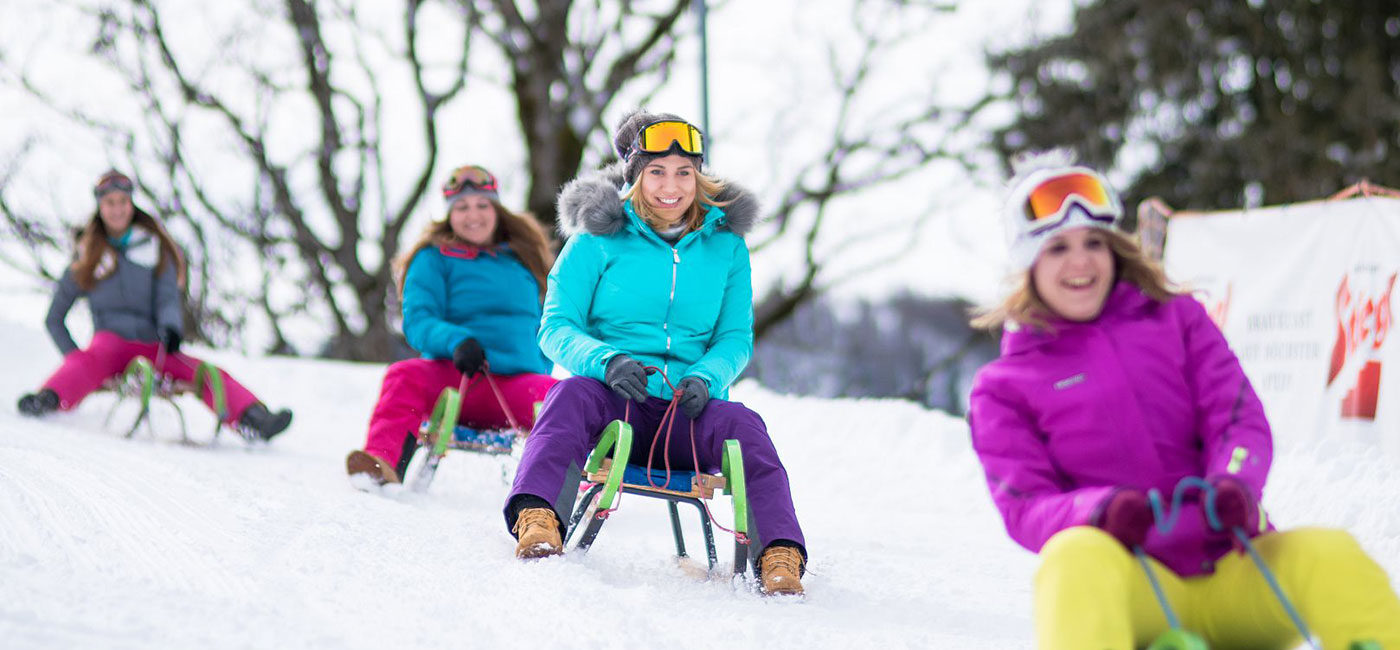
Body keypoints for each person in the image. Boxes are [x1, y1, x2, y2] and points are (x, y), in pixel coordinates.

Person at [967, 151, 1400, 649]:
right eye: (1057, 248)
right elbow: (1026, 505)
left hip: (1232, 569)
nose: (1081, 261)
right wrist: (1099, 512)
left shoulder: (1177, 321)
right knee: (1072, 559)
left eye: (1094, 243)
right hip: (1135, 587)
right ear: (1028, 266)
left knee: (1333, 555)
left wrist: (1234, 483)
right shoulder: (1003, 387)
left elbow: (1237, 418)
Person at [502, 110, 808, 596]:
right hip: (615, 402)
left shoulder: (726, 247)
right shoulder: (596, 240)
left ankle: (778, 554)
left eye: (685, 172)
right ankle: (538, 517)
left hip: (687, 410)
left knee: (745, 425)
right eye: (657, 171)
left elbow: (734, 337)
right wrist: (607, 362)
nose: (673, 186)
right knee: (569, 396)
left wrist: (706, 378)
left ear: (699, 176)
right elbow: (556, 326)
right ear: (635, 176)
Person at [17, 169, 293, 440]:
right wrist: (73, 357)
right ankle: (48, 399)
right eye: (110, 203)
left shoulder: (154, 249)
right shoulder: (87, 257)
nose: (117, 210)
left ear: (131, 204)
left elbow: (167, 298)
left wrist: (170, 328)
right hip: (109, 345)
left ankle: (254, 419)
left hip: (154, 345)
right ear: (100, 207)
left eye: (122, 202)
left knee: (204, 372)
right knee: (86, 363)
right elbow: (54, 318)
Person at [346, 165, 558, 486]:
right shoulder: (433, 258)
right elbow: (418, 320)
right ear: (449, 215)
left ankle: (574, 486)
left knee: (566, 397)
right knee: (403, 376)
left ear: (496, 210)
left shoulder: (524, 260)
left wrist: (539, 361)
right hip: (456, 381)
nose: (473, 214)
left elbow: (550, 322)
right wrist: (456, 341)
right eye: (462, 207)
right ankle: (383, 464)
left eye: (482, 205)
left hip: (517, 387)